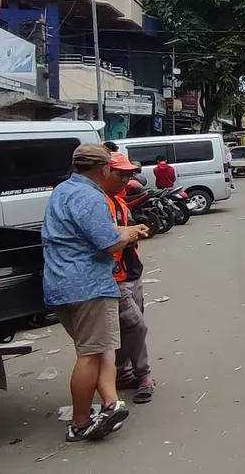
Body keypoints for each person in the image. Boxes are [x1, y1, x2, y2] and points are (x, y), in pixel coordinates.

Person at [43, 143, 148, 442]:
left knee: (102, 348)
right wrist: (131, 232)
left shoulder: (63, 190)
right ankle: (79, 423)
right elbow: (108, 242)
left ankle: (111, 404)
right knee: (90, 354)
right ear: (103, 169)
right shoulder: (90, 196)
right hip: (87, 285)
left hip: (63, 282)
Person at [103, 152, 155, 404]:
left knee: (133, 326)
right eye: (120, 173)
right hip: (115, 278)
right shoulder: (96, 204)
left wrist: (137, 231)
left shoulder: (119, 203)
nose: (126, 179)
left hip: (132, 271)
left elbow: (129, 229)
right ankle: (140, 373)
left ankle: (127, 373)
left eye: (129, 174)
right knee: (136, 325)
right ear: (103, 172)